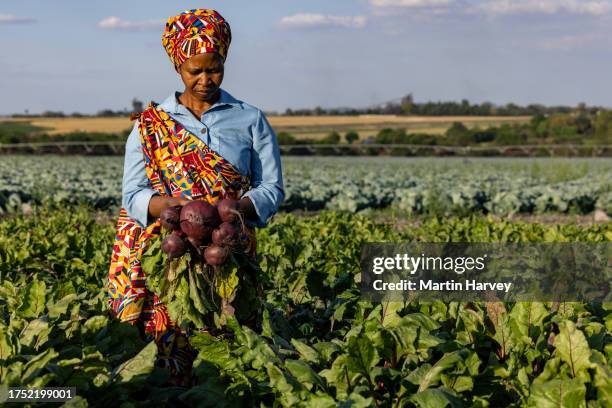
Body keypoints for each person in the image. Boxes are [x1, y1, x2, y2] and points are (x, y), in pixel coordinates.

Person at [106, 8, 284, 387]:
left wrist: (236, 210)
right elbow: (134, 193)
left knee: (230, 342)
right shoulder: (150, 126)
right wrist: (178, 211)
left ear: (224, 62)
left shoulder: (249, 118)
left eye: (215, 68)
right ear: (177, 66)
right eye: (195, 71)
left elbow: (272, 188)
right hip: (171, 248)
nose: (206, 79)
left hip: (229, 246)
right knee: (167, 343)